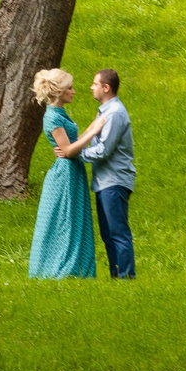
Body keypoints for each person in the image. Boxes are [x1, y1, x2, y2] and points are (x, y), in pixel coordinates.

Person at [27, 68, 97, 280]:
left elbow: (71, 145)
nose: (74, 91)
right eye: (70, 88)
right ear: (58, 91)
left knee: (73, 218)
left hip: (72, 171)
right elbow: (67, 151)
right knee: (63, 220)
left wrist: (96, 124)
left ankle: (74, 268)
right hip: (64, 175)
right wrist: (94, 132)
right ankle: (58, 269)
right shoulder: (52, 118)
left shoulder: (60, 113)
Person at [79, 68, 135, 279]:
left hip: (115, 181)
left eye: (95, 84)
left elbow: (104, 149)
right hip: (104, 182)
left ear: (106, 87)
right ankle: (116, 275)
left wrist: (76, 153)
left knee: (118, 232)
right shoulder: (105, 111)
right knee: (108, 234)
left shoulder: (115, 114)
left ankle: (126, 277)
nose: (91, 87)